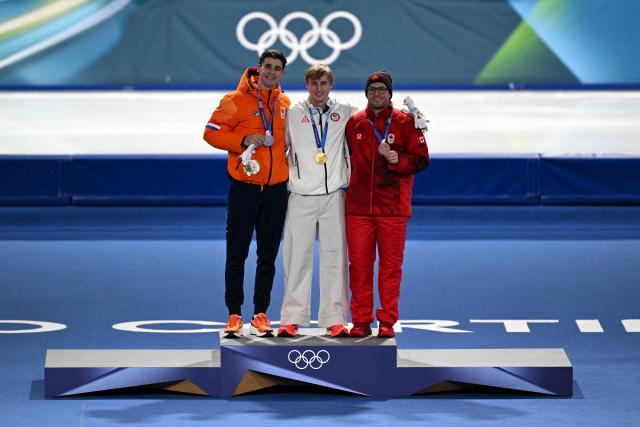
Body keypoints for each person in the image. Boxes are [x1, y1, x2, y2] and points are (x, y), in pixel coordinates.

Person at [203, 49, 290, 338]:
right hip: (244, 190)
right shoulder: (234, 101)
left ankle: (261, 313)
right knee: (236, 254)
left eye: (277, 68)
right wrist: (241, 140)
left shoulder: (285, 104)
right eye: (268, 66)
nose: (272, 72)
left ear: (282, 73)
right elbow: (211, 133)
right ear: (258, 68)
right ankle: (234, 314)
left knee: (268, 255)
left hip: (276, 192)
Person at [345, 71, 430, 338]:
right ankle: (360, 320)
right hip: (359, 208)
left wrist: (397, 160)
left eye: (382, 89)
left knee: (390, 268)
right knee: (358, 267)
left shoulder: (406, 122)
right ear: (366, 94)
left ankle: (387, 321)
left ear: (390, 93)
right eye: (372, 90)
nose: (377, 94)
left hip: (393, 209)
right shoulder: (356, 123)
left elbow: (421, 159)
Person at [277, 64, 354, 338]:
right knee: (296, 258)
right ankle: (291, 318)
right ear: (307, 85)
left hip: (334, 195)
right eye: (314, 83)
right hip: (300, 195)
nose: (319, 88)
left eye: (323, 83)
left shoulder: (344, 110)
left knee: (335, 257)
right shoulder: (295, 113)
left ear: (331, 85)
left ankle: (334, 319)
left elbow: (370, 122)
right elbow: (281, 146)